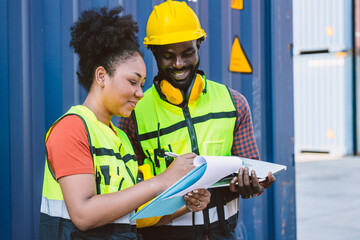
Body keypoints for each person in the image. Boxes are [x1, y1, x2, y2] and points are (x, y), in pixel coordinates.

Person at [38, 6, 210, 240]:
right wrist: (162, 180)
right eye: (132, 82)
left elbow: (135, 217)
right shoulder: (72, 129)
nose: (140, 93)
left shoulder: (122, 139)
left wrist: (186, 205)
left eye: (142, 84)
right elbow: (84, 215)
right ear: (101, 76)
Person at [118, 1, 276, 239]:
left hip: (223, 234)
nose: (179, 64)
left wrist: (254, 185)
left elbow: (252, 171)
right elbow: (129, 193)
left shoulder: (234, 103)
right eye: (168, 56)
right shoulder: (135, 113)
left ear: (199, 45)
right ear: (154, 54)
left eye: (188, 53)